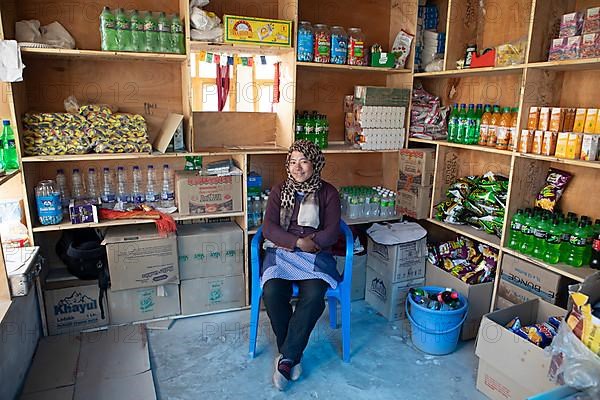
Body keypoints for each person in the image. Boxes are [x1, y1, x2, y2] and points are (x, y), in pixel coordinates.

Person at [261, 140, 341, 391]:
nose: (298, 167)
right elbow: (269, 228)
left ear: (314, 163)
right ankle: (292, 356)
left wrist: (311, 243)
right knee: (272, 291)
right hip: (283, 250)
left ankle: (285, 358)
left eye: (304, 161)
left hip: (315, 254)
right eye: (293, 161)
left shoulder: (328, 193)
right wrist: (296, 241)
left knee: (315, 295)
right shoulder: (278, 190)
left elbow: (332, 232)